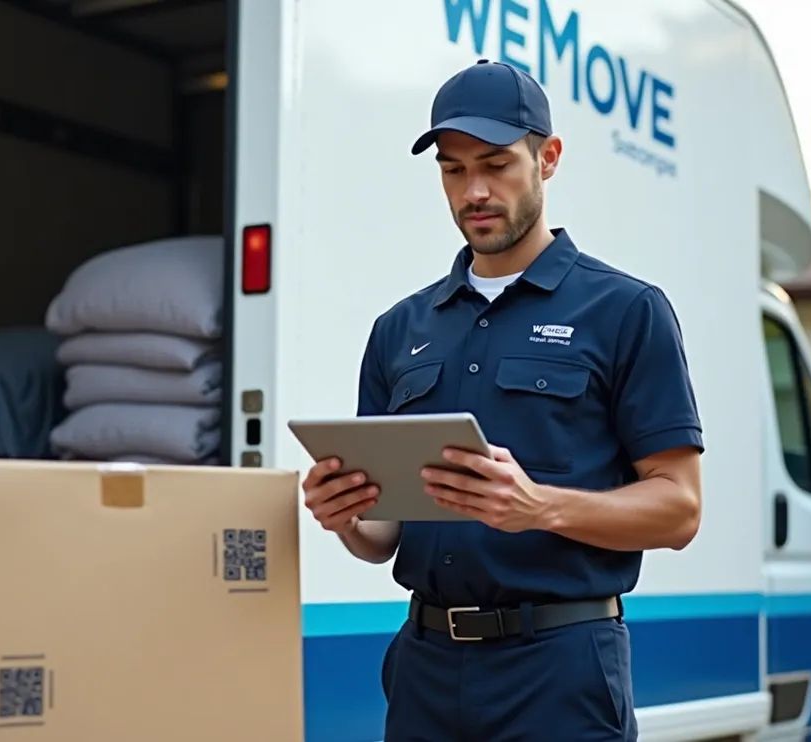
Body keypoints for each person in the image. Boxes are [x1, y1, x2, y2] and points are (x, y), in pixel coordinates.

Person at [301, 59, 704, 741]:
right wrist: (344, 516)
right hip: (424, 669)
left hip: (560, 672)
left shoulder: (626, 311)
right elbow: (382, 537)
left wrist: (537, 507)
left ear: (548, 158)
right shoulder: (400, 329)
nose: (475, 191)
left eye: (496, 163)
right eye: (453, 171)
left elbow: (679, 509)